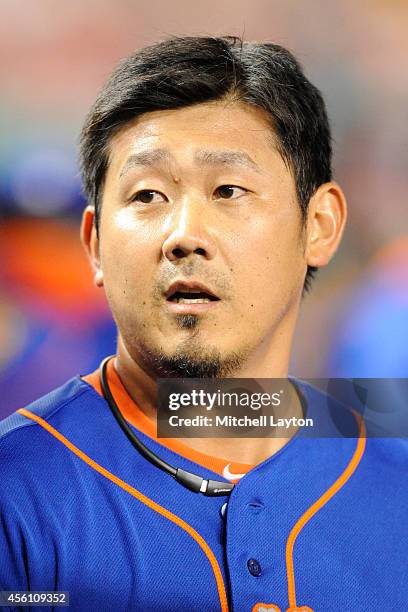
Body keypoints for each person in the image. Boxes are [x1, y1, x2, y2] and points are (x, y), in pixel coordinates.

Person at [0, 36, 406, 612]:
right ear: (94, 244)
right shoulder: (17, 497)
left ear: (319, 225)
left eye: (229, 190)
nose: (183, 234)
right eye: (147, 195)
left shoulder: (396, 494)